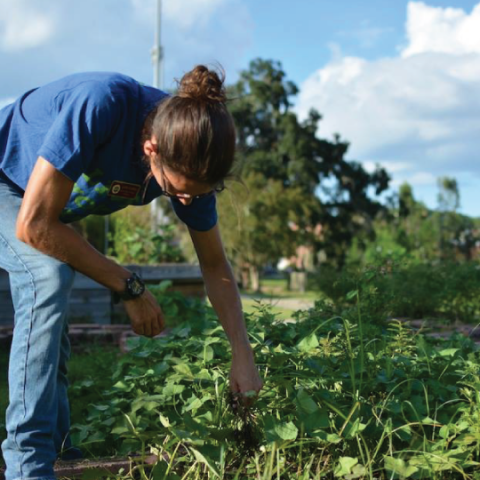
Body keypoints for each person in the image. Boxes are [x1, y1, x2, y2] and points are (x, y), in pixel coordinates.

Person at [0, 65, 263, 480]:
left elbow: (214, 265)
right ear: (151, 148)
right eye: (177, 190)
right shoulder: (102, 105)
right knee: (48, 277)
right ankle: (26, 464)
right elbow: (34, 224)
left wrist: (242, 356)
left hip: (45, 205)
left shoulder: (191, 155)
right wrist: (130, 288)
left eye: (195, 193)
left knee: (51, 301)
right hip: (6, 179)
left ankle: (60, 449)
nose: (183, 199)